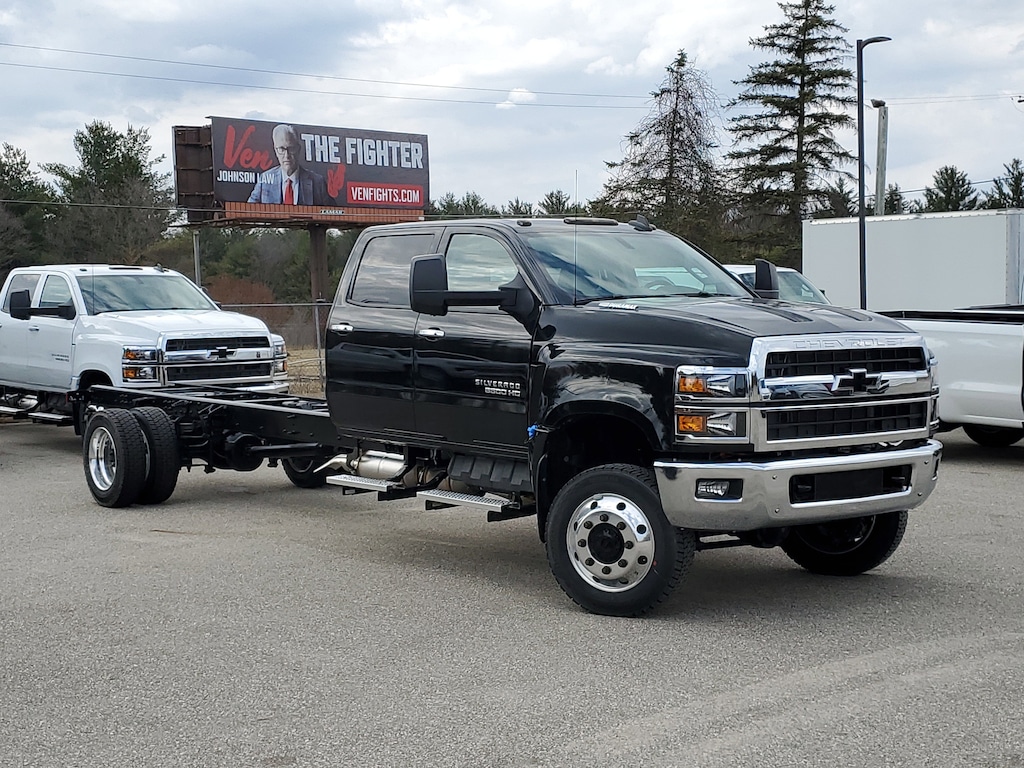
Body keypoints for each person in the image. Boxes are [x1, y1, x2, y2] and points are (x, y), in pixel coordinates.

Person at [247, 124, 330, 205]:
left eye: (291, 148)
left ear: (298, 149)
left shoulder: (318, 182)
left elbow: (332, 214)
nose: (287, 155)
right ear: (276, 151)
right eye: (282, 149)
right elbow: (248, 211)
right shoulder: (265, 179)